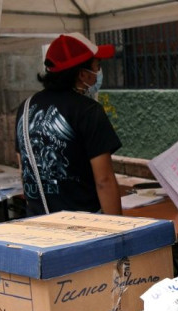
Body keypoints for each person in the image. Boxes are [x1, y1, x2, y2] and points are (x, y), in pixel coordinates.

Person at [15, 32, 121, 216]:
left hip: (37, 222)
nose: (98, 73)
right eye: (97, 66)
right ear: (82, 74)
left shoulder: (25, 108)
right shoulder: (88, 110)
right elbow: (104, 180)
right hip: (83, 226)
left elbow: (24, 168)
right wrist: (121, 233)